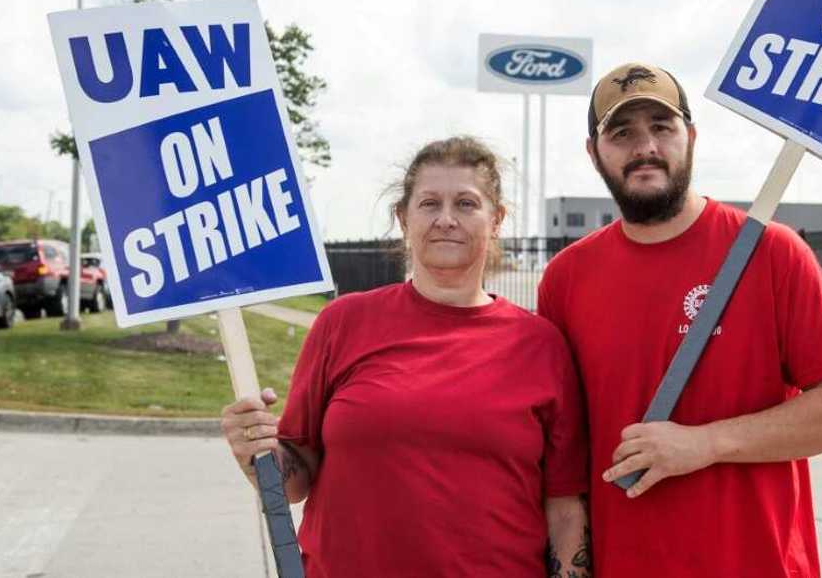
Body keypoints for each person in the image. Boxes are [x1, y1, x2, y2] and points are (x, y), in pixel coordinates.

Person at [537, 63, 822, 578]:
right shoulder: (566, 279)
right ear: (594, 152)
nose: (645, 146)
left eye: (662, 127)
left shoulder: (771, 252)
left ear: (690, 138)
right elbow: (563, 453)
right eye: (622, 133)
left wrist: (706, 443)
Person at [222, 136, 591, 577]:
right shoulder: (343, 323)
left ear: (497, 220)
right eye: (430, 203)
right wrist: (256, 454)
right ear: (404, 218)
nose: (446, 219)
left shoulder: (541, 346)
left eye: (467, 204)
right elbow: (297, 477)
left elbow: (566, 507)